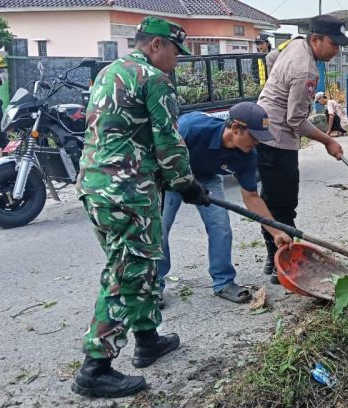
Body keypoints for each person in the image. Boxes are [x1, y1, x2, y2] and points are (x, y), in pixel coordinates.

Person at [72, 16, 205, 398]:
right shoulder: (154, 80)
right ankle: (95, 367)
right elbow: (167, 141)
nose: (176, 62)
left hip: (95, 186)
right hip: (128, 190)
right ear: (156, 46)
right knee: (126, 271)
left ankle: (148, 339)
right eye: (175, 53)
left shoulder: (109, 72)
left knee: (139, 264)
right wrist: (186, 184)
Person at [158, 103, 292, 305]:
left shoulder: (247, 155)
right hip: (172, 175)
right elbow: (161, 154)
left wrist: (276, 232)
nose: (257, 142)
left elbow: (252, 197)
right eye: (254, 136)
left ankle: (223, 282)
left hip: (206, 178)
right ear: (236, 128)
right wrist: (183, 184)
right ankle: (153, 285)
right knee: (158, 228)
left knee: (220, 226)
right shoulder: (191, 128)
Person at [257, 14, 348, 284]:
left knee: (271, 199)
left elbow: (270, 59)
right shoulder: (307, 71)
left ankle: (271, 258)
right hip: (278, 139)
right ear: (315, 39)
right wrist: (328, 140)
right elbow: (295, 121)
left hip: (263, 131)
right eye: (333, 44)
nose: (336, 51)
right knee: (284, 205)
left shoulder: (294, 43)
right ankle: (282, 266)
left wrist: (274, 89)